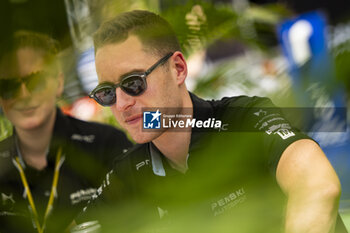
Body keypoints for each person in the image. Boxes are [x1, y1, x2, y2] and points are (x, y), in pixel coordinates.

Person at [85, 10, 345, 233]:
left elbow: (317, 186)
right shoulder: (128, 174)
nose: (122, 104)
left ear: (178, 69)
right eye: (107, 93)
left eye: (133, 83)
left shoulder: (244, 120)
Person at [0, 31, 133, 233]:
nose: (24, 95)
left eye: (36, 81)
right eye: (9, 87)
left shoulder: (108, 145)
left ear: (59, 83)